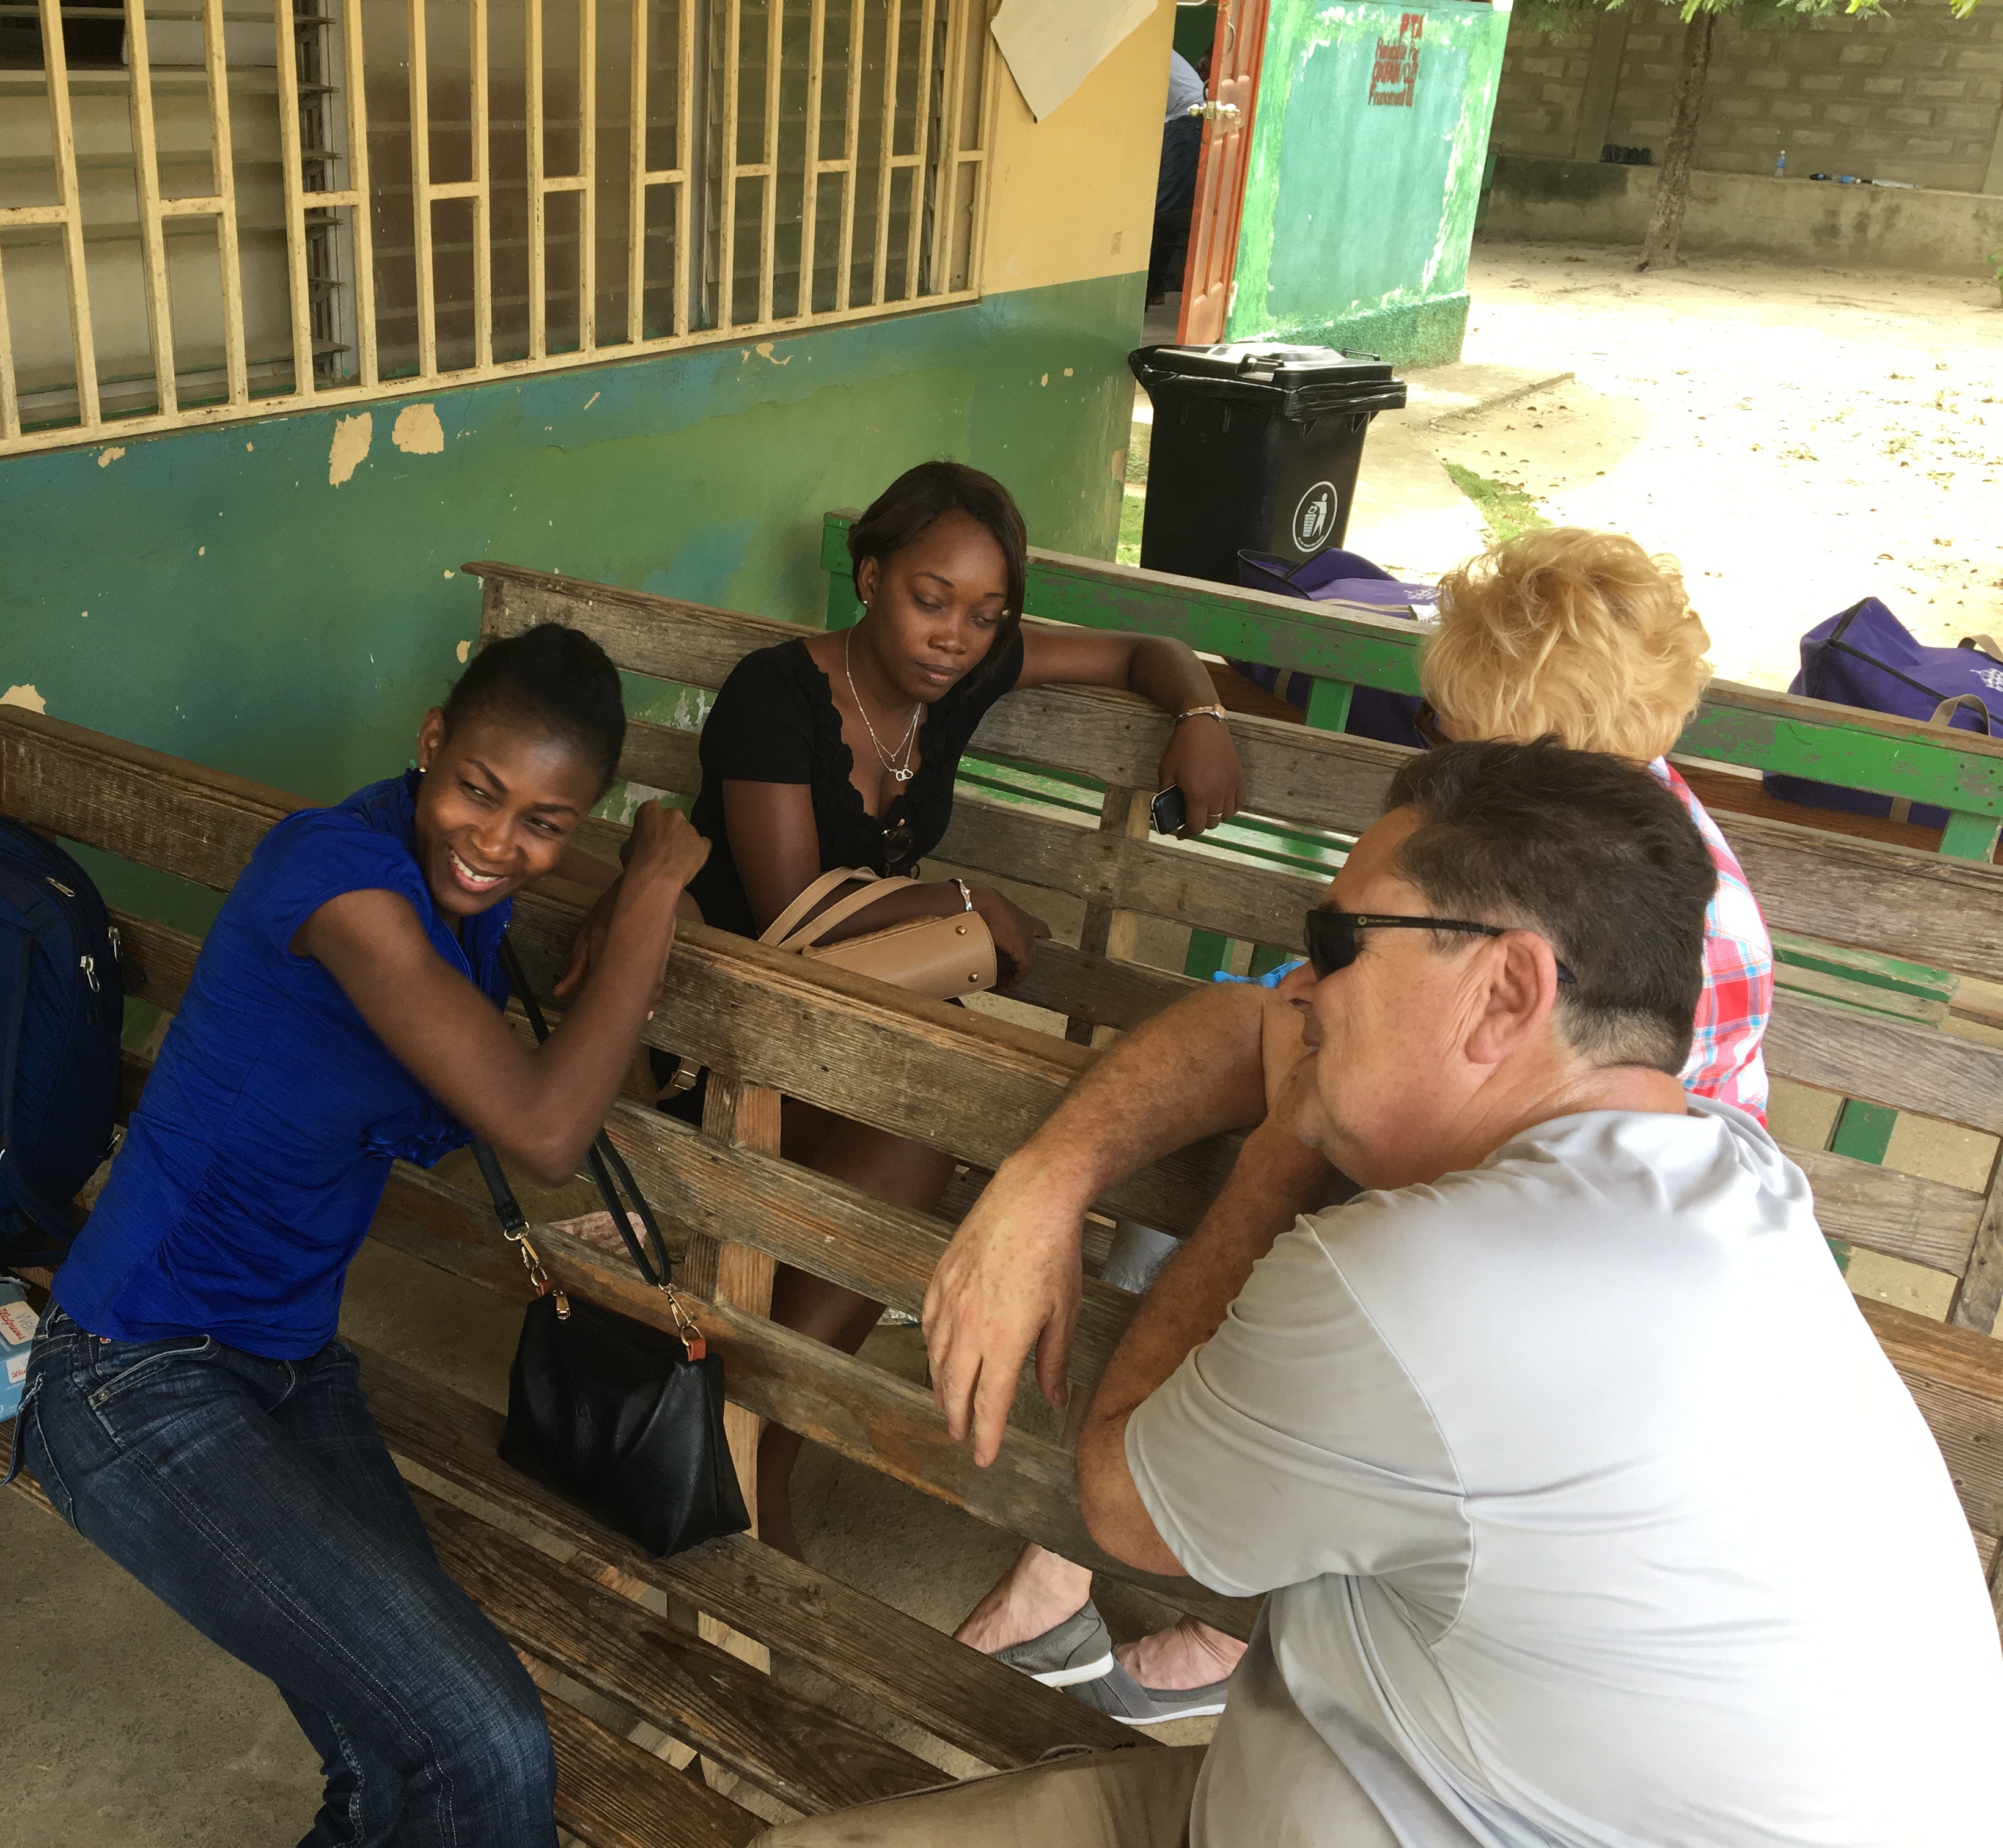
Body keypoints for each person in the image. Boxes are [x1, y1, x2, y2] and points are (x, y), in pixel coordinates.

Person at [776, 739, 2003, 1846]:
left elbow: (1124, 1505)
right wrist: (1051, 1174)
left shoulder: (1428, 1282)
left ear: (1508, 992)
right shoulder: (1732, 1178)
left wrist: (1274, 1154)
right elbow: (1245, 1028)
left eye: (1338, 944)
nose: (1302, 987)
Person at [950, 524, 1775, 1723]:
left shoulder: (1654, 926)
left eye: (1460, 732)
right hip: (1492, 1246)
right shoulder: (1536, 850)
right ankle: (1084, 1575)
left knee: (1261, 1195)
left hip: (1551, 1317)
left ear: (1533, 753)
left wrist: (1291, 1114)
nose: (1437, 748)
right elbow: (1294, 1022)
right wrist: (1050, 1174)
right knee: (1224, 1151)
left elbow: (1447, 1131)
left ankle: (1131, 1573)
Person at [14, 624, 710, 1848]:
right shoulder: (337, 879)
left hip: (289, 1366)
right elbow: (546, 1130)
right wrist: (651, 886)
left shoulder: (458, 912)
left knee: (396, 1773)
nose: (497, 844)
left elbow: (548, 1072)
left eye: (546, 824)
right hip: (132, 1374)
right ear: (432, 745)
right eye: (478, 793)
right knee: (485, 1740)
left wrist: (609, 915)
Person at [680, 459, 1244, 1557]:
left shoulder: (965, 679)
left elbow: (1143, 652)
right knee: (930, 1106)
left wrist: (1200, 712)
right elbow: (792, 916)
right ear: (869, 574)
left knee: (927, 1127)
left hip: (855, 1026)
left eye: (985, 615)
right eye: (928, 598)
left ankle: (760, 1426)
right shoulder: (773, 695)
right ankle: (740, 1407)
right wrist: (966, 902)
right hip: (722, 1021)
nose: (953, 636)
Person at [1147, 51, 1207, 310]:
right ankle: (1154, 288)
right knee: (1169, 207)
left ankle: (1149, 289)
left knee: (1164, 209)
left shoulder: (1144, 48)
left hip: (1185, 120)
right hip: (1187, 120)